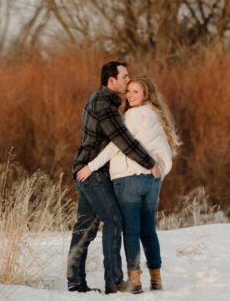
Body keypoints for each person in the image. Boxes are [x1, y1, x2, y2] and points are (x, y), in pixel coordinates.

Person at [77, 76, 181, 293]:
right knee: (149, 231)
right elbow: (165, 152)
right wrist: (159, 173)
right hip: (152, 183)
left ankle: (134, 280)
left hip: (128, 180)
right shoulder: (155, 116)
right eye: (130, 91)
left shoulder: (132, 115)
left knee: (131, 232)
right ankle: (156, 278)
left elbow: (116, 146)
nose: (131, 95)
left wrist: (91, 167)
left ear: (145, 95)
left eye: (136, 92)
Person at [67, 61, 161, 294]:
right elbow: (123, 141)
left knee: (85, 227)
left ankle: (75, 282)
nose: (128, 81)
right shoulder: (104, 105)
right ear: (112, 81)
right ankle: (114, 282)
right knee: (115, 220)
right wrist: (150, 163)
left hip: (89, 171)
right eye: (125, 77)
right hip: (92, 173)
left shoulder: (102, 100)